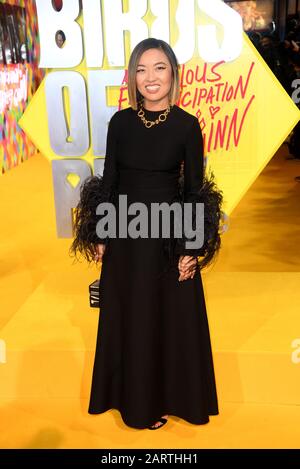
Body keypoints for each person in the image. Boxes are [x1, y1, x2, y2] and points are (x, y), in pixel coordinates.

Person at [69, 38, 223, 430]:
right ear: (133, 78)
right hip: (125, 234)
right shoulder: (119, 123)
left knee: (168, 319)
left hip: (168, 239)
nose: (150, 77)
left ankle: (170, 399)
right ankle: (135, 403)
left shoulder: (188, 126)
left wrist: (192, 249)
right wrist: (101, 235)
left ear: (173, 73)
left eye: (158, 68)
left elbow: (194, 190)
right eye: (141, 69)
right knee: (132, 318)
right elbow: (111, 180)